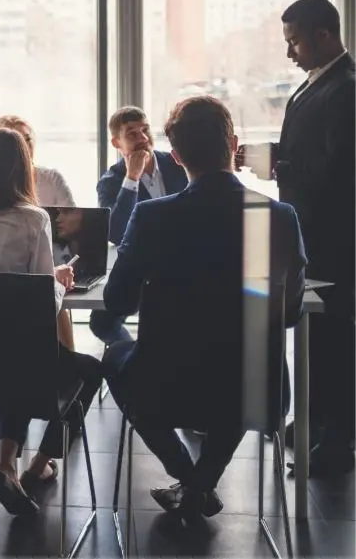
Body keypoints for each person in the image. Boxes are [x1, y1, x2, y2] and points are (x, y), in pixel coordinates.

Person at [103, 97, 306, 522]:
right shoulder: (278, 217)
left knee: (115, 358)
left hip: (167, 384)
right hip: (257, 389)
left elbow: (116, 304)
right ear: (233, 144)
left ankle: (189, 477)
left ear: (175, 156)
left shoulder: (152, 217)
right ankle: (201, 483)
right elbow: (288, 314)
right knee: (238, 370)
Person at [0, 128, 102, 518]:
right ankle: (36, 464)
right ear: (23, 170)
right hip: (21, 366)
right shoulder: (33, 219)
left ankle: (6, 466)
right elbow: (43, 305)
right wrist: (59, 282)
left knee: (20, 354)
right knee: (86, 371)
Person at [236, 0, 355, 476]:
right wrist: (260, 155)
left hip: (333, 238)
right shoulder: (314, 88)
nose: (289, 53)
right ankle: (317, 421)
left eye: (294, 41)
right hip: (309, 232)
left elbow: (339, 171)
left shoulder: (346, 91)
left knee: (335, 338)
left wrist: (276, 163)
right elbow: (304, 151)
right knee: (316, 335)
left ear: (323, 35)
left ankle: (338, 437)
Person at [90, 106, 188, 346]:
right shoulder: (110, 182)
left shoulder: (178, 163)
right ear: (116, 142)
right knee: (101, 321)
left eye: (145, 130)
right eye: (132, 133)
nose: (143, 138)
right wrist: (131, 179)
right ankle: (134, 355)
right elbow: (115, 233)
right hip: (140, 267)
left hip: (184, 261)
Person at [0, 115, 78, 350]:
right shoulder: (34, 217)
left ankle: (65, 360)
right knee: (52, 290)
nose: (22, 146)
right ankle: (64, 368)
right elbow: (45, 295)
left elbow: (72, 224)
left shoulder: (51, 179)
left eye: (26, 139)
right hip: (22, 281)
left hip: (51, 258)